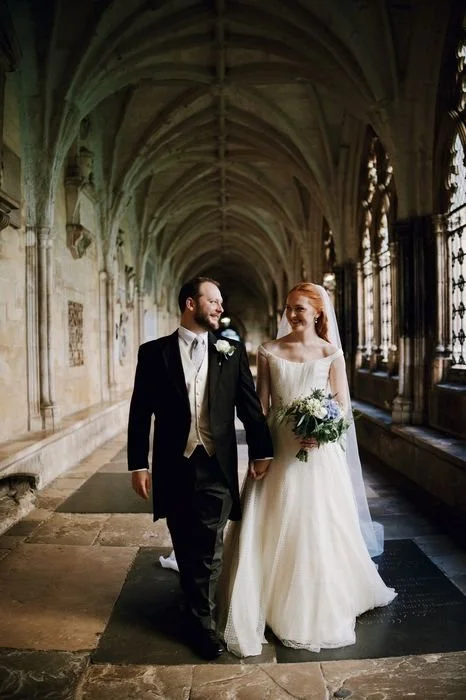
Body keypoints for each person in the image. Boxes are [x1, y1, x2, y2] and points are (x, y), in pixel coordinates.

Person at [218, 282, 396, 658]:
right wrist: (259, 454)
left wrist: (322, 432)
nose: (292, 315)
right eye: (289, 308)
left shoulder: (331, 353)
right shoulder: (269, 351)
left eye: (299, 308)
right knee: (273, 519)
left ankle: (311, 601)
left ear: (318, 311)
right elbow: (262, 408)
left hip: (318, 455)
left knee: (316, 524)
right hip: (278, 451)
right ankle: (265, 597)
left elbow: (342, 407)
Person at [127, 276, 273, 660]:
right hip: (174, 466)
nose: (221, 308)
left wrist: (262, 451)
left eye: (221, 302)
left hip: (216, 464)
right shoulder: (153, 353)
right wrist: (138, 463)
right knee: (186, 543)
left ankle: (201, 627)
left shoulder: (231, 351)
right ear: (191, 304)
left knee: (209, 546)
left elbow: (249, 406)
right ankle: (195, 606)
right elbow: (140, 411)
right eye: (214, 301)